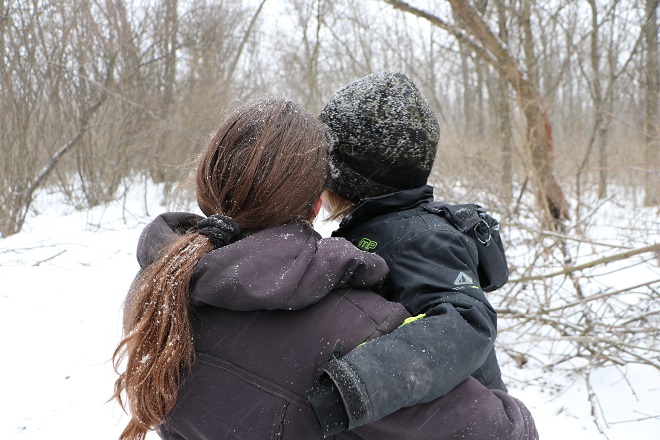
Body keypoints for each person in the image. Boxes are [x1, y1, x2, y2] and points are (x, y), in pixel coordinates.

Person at [112, 97, 538, 440]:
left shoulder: (160, 286)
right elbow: (503, 431)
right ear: (317, 203)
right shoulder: (352, 330)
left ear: (208, 185)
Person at [307, 71, 513, 434]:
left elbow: (467, 321)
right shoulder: (382, 228)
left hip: (468, 423)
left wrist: (359, 385)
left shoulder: (418, 238)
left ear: (346, 176)